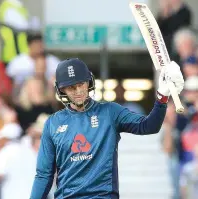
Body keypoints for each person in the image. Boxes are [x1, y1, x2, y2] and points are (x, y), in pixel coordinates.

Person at [30, 58, 184, 198]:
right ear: (61, 90)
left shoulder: (110, 112)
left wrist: (162, 96)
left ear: (89, 82)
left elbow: (148, 126)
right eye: (71, 88)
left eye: (80, 84)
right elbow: (44, 175)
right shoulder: (53, 123)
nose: (77, 92)